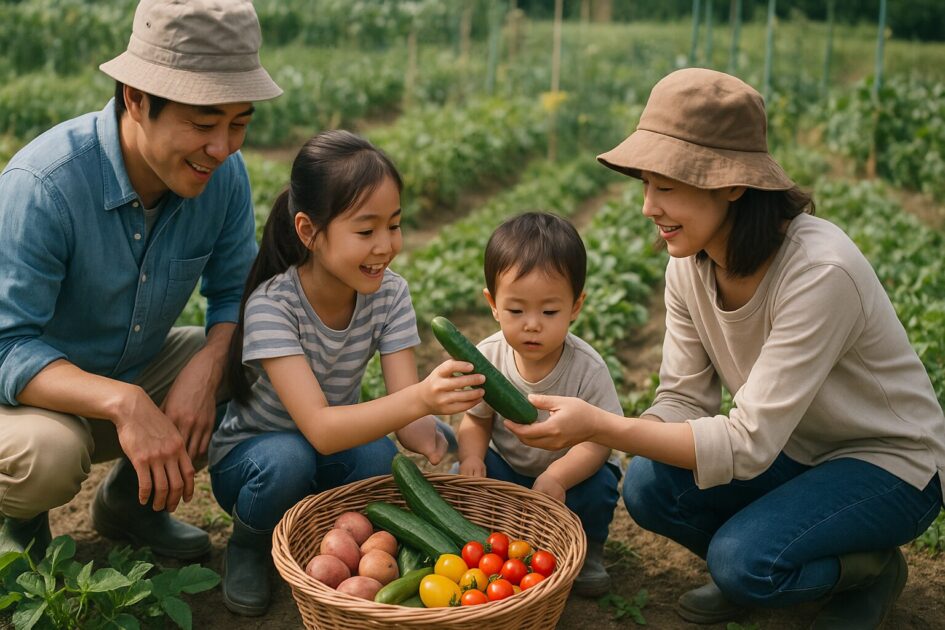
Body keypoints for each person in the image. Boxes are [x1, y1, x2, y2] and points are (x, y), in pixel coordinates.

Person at [505, 68, 945, 629]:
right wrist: (611, 431)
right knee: (648, 485)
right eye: (645, 184)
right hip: (797, 450)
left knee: (741, 562)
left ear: (733, 185)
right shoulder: (688, 265)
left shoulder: (819, 271)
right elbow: (684, 398)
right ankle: (778, 558)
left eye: (666, 186)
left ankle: (868, 570)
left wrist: (601, 426)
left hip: (888, 465)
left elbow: (749, 443)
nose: (648, 207)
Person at [0, 0, 282, 563]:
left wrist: (205, 371)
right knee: (47, 454)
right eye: (204, 124)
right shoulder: (44, 186)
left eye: (239, 123)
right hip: (25, 402)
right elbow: (7, 346)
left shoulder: (222, 176)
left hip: (124, 367)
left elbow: (236, 294)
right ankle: (17, 527)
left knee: (264, 362)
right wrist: (125, 402)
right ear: (136, 99)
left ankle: (129, 505)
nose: (222, 147)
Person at [209, 129, 485, 616]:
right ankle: (248, 546)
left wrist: (445, 434)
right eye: (366, 230)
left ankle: (325, 537)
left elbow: (406, 412)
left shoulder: (390, 294)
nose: (385, 246)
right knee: (289, 457)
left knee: (381, 459)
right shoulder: (274, 306)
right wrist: (421, 399)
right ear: (308, 231)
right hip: (254, 462)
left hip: (329, 446)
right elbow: (319, 428)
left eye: (394, 225)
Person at [455, 211, 622, 597]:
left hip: (573, 473)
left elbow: (598, 441)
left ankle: (589, 548)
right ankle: (490, 546)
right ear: (493, 304)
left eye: (549, 312)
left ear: (575, 306)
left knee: (599, 486)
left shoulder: (587, 368)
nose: (532, 324)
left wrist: (558, 477)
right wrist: (472, 457)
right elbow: (476, 419)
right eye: (516, 311)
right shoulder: (487, 358)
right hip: (511, 467)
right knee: (468, 476)